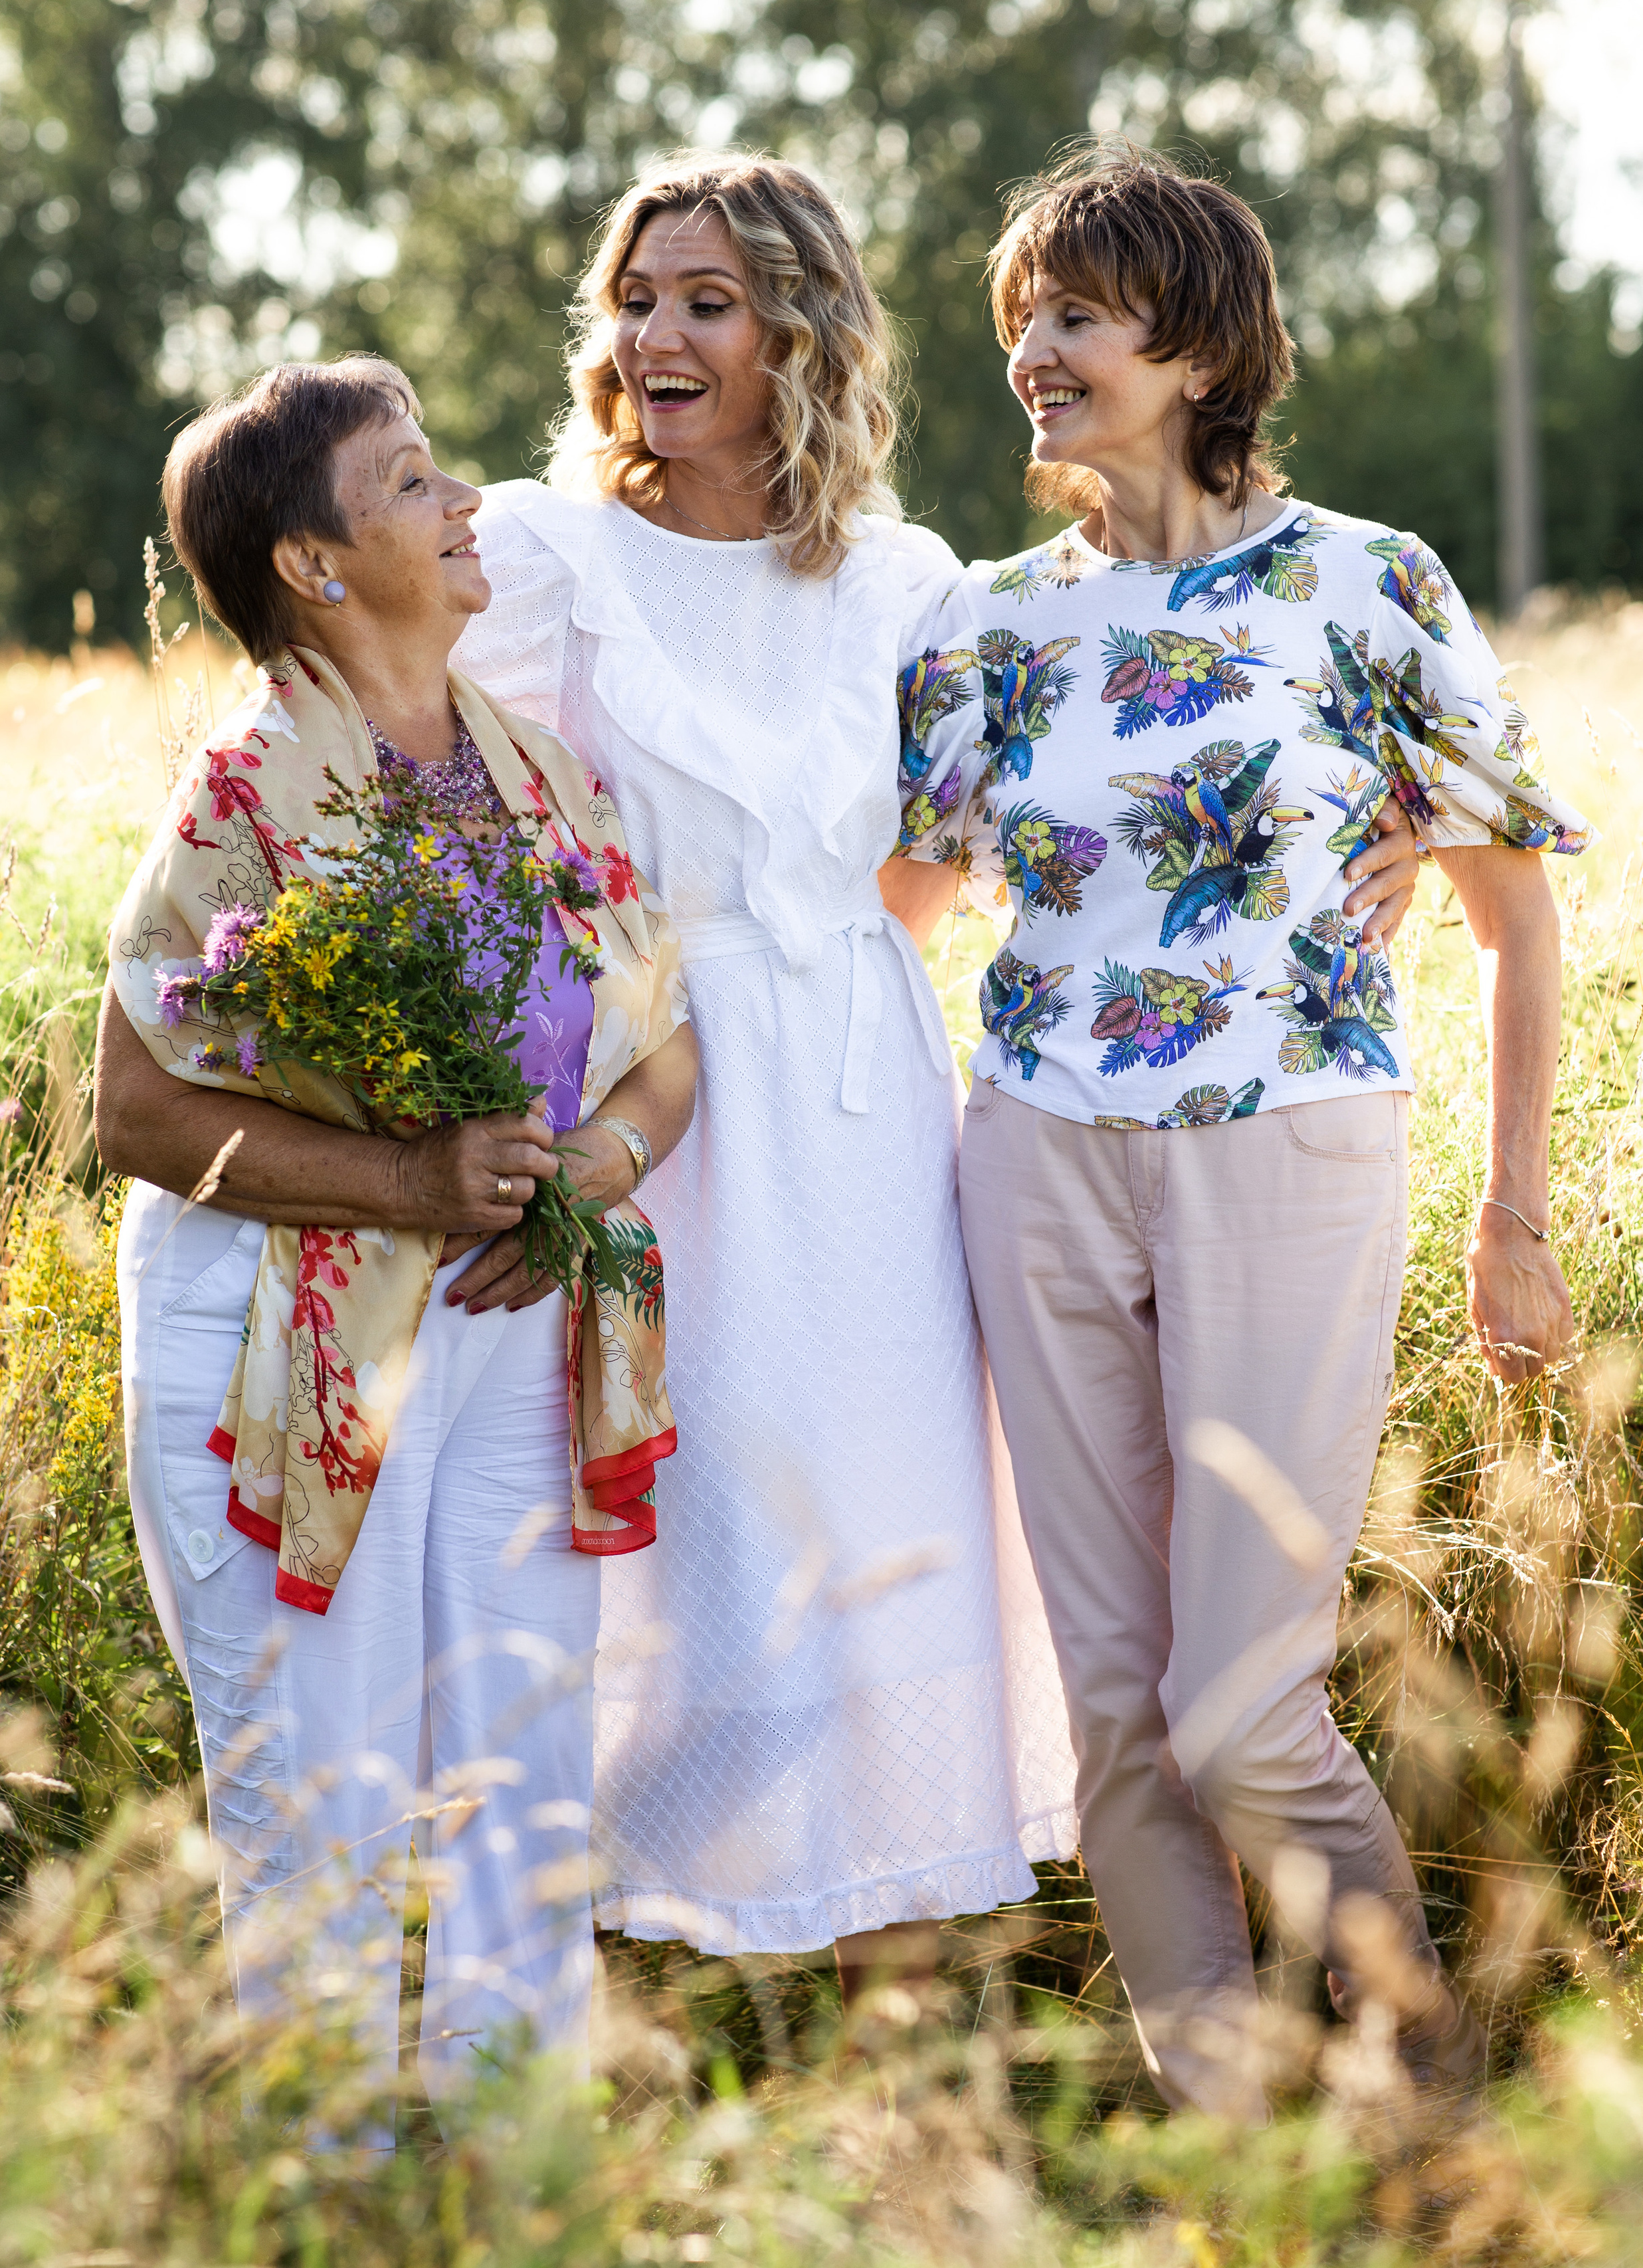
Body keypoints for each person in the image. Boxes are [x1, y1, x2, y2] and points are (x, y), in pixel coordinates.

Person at [454, 154, 1421, 1988]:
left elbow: (932, 857)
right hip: (646, 1103)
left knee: (895, 1516)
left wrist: (1414, 843)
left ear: (797, 332)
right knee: (694, 1526)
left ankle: (896, 1997)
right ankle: (670, 1979)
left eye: (707, 302)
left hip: (866, 1098)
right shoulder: (541, 553)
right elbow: (417, 772)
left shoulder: (902, 580)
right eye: (636, 299)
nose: (657, 333)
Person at [900, 146, 1589, 2118]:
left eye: (1080, 315)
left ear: (1199, 345)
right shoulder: (991, 619)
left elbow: (1513, 914)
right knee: (1116, 1709)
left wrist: (1513, 1211)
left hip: (1289, 1149)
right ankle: (1239, 2141)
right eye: (1023, 314)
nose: (1037, 350)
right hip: (1032, 1154)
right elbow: (885, 920)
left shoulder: (1365, 582)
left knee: (1234, 1707)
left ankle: (1428, 2098)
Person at [94, 357, 696, 2116]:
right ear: (314, 561)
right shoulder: (250, 787)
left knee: (520, 1782)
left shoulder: (533, 771)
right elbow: (132, 1113)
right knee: (321, 1805)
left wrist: (585, 1168)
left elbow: (665, 1057)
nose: (465, 505)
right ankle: (327, 2200)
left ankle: (517, 2183)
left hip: (510, 1327)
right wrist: (407, 1191)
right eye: (416, 478)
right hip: (274, 1340)